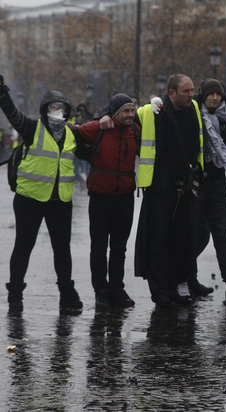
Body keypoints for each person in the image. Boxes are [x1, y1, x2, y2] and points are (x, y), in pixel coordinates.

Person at [102, 74, 204, 307]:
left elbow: (214, 102)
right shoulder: (150, 112)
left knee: (181, 240)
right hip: (159, 189)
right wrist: (104, 116)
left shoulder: (195, 107)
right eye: (186, 91)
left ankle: (173, 286)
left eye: (192, 90)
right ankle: (159, 292)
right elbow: (121, 116)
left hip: (185, 188)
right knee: (157, 242)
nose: (191, 95)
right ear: (171, 93)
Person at [0, 75, 83, 311]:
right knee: (23, 247)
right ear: (45, 110)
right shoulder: (31, 128)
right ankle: (15, 295)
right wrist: (2, 92)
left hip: (60, 201)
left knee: (62, 250)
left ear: (67, 111)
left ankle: (67, 294)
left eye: (61, 107)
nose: (57, 111)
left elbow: (91, 140)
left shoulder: (72, 133)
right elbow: (11, 113)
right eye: (53, 107)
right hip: (30, 199)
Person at [72, 93, 140, 308]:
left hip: (125, 197)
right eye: (125, 111)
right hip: (100, 196)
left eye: (132, 110)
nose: (130, 115)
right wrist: (98, 120)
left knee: (119, 247)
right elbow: (71, 133)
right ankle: (101, 290)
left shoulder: (136, 132)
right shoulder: (98, 129)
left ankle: (117, 288)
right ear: (115, 112)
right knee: (99, 247)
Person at [191, 78, 226, 306]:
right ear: (203, 96)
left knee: (223, 236)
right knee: (195, 235)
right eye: (211, 94)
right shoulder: (193, 114)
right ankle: (185, 277)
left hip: (217, 184)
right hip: (195, 184)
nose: (215, 98)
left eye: (218, 94)